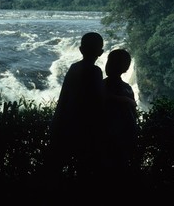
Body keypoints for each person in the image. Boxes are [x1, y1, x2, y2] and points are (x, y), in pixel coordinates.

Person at [45, 32, 106, 199]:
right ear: (100, 53)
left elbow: (65, 97)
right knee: (83, 173)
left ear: (80, 49)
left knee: (56, 170)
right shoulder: (95, 71)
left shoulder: (74, 68)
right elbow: (98, 102)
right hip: (83, 129)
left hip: (64, 124)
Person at [101, 48, 139, 192]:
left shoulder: (101, 85)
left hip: (110, 139)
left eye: (112, 62)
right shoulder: (127, 89)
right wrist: (125, 100)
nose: (109, 65)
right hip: (122, 139)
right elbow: (133, 113)